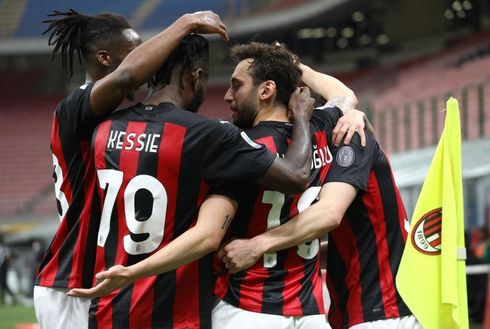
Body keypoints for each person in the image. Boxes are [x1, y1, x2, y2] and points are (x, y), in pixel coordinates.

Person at [68, 41, 365, 328]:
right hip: (310, 311)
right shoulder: (322, 128)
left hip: (246, 307)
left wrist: (132, 272)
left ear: (266, 90)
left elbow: (208, 234)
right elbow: (343, 95)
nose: (226, 96)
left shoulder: (239, 145)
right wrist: (295, 69)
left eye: (236, 85)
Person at [35, 9, 230, 329]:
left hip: (97, 279)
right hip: (71, 282)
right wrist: (185, 23)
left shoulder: (114, 119)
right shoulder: (75, 107)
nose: (148, 62)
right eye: (136, 54)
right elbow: (128, 76)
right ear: (105, 59)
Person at [219, 71, 421, 329]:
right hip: (364, 307)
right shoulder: (333, 137)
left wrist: (257, 245)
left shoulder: (349, 139)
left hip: (380, 310)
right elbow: (346, 97)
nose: (227, 96)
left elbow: (329, 213)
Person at [0, 235, 16, 305]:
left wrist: (8, 264)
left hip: (3, 268)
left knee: (4, 283)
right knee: (2, 283)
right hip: (2, 268)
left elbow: (8, 257)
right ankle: (3, 298)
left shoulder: (5, 248)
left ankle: (12, 296)